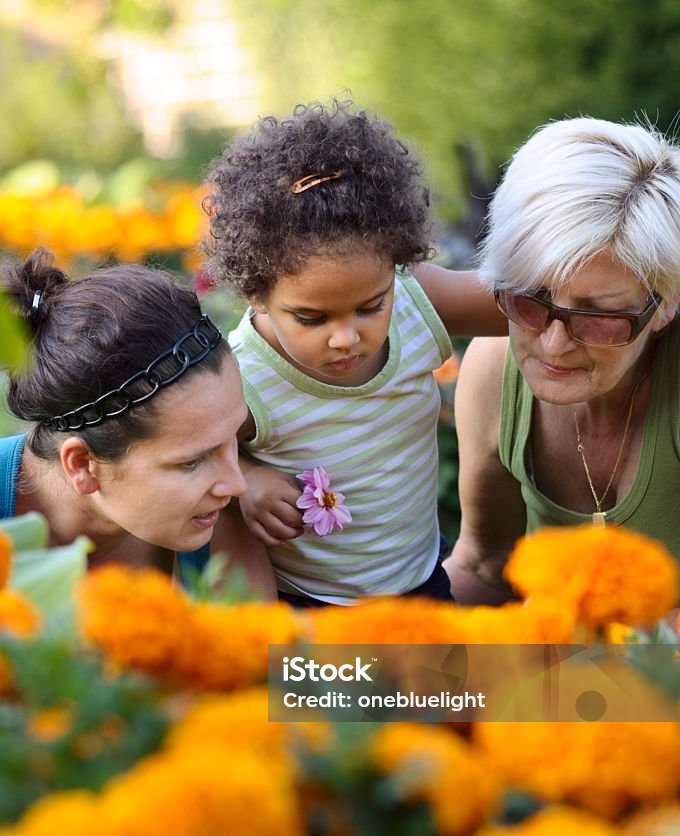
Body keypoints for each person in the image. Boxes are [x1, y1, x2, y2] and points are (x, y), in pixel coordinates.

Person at [203, 98, 505, 606]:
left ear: (396, 268)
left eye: (370, 306)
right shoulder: (246, 378)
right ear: (256, 294)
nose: (346, 338)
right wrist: (249, 480)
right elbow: (197, 453)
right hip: (316, 606)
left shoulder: (415, 300)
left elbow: (525, 305)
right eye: (312, 319)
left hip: (422, 581)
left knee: (450, 688)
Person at [445, 116, 680, 606]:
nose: (552, 345)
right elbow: (485, 564)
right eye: (529, 299)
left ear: (666, 307)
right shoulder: (493, 370)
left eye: (598, 317)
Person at [1, 247, 275, 596]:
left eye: (234, 440)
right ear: (83, 464)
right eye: (192, 461)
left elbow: (274, 650)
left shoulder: (220, 519)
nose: (237, 484)